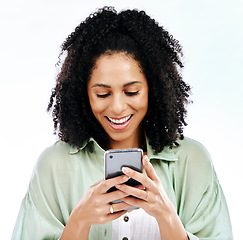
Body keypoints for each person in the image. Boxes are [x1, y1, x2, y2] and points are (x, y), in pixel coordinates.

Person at [12, 6, 233, 240]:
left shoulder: (193, 161)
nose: (117, 107)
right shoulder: (53, 166)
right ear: (83, 93)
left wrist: (166, 215)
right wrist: (80, 220)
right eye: (103, 94)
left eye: (131, 91)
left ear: (153, 89)